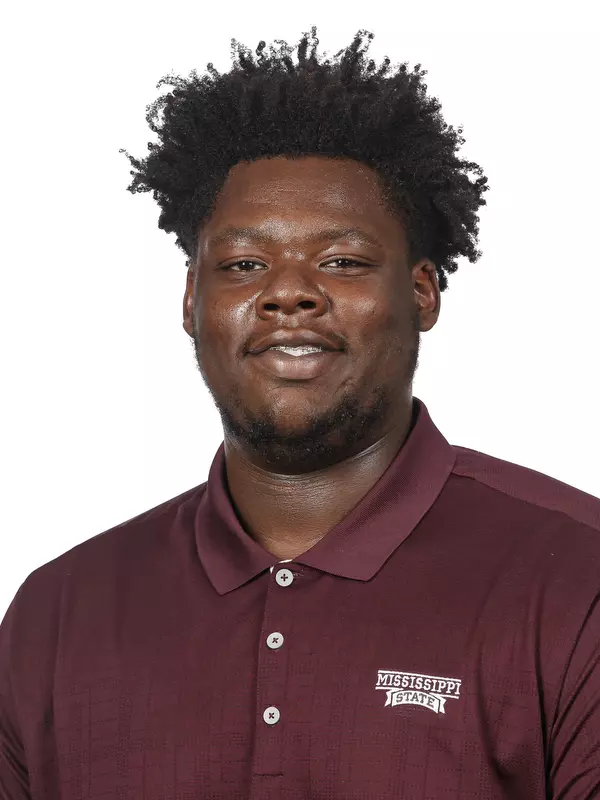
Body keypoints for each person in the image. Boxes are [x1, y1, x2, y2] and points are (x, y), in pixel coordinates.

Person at [1, 27, 598, 800]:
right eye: (245, 264)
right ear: (193, 302)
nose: (289, 292)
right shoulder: (56, 615)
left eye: (341, 261)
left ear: (422, 293)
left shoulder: (575, 579)